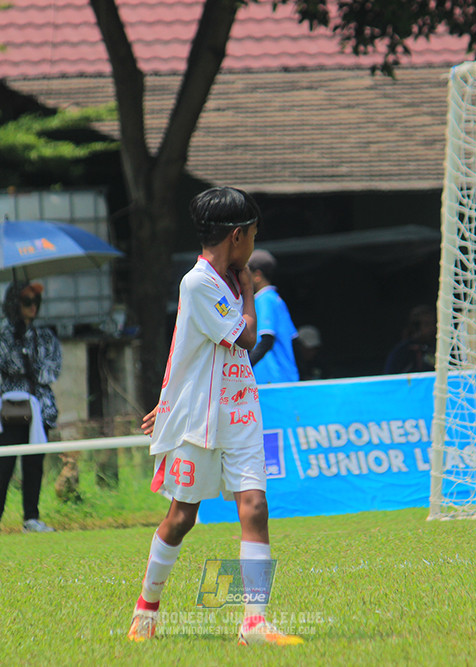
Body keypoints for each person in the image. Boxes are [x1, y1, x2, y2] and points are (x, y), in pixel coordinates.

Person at [127, 186, 303, 646]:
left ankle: (254, 623)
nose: (252, 246)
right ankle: (146, 608)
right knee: (181, 517)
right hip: (200, 419)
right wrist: (247, 290)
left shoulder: (222, 276)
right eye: (253, 235)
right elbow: (245, 338)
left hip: (241, 410)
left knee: (256, 507)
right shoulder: (199, 282)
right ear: (239, 235)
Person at [0, 281, 61, 536]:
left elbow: (51, 369)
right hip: (12, 409)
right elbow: (8, 364)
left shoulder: (45, 335)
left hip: (40, 409)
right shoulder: (5, 335)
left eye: (36, 301)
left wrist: (30, 363)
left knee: (34, 465)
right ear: (15, 305)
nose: (33, 307)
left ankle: (31, 517)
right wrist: (28, 362)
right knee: (4, 463)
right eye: (27, 302)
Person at [247, 249, 299, 384]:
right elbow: (294, 340)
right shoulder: (277, 300)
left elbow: (266, 341)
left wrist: (245, 368)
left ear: (257, 275)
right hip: (284, 377)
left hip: (274, 378)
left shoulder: (265, 299)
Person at [383, 304, 436, 374]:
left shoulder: (438, 348)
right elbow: (389, 377)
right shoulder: (402, 351)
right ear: (416, 327)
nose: (432, 328)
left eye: (434, 323)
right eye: (427, 324)